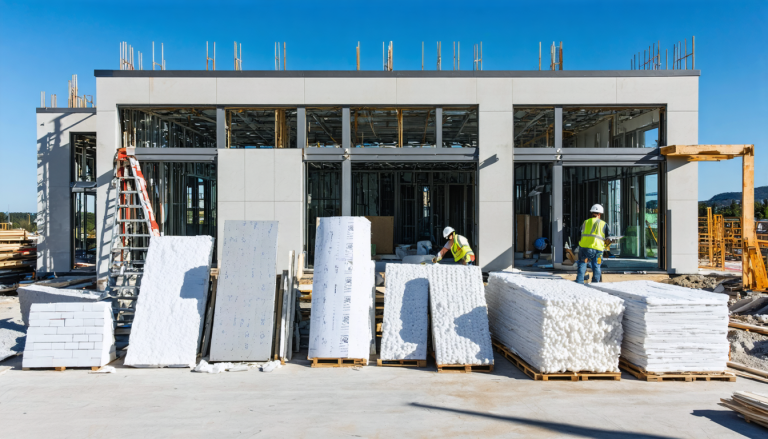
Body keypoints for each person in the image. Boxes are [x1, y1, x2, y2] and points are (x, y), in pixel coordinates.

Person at [576, 204, 611, 284]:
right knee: (596, 265)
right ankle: (595, 283)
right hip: (597, 249)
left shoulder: (585, 222)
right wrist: (607, 248)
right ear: (599, 214)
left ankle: (579, 282)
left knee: (582, 264)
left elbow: (579, 234)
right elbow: (608, 237)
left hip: (584, 248)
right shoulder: (603, 224)